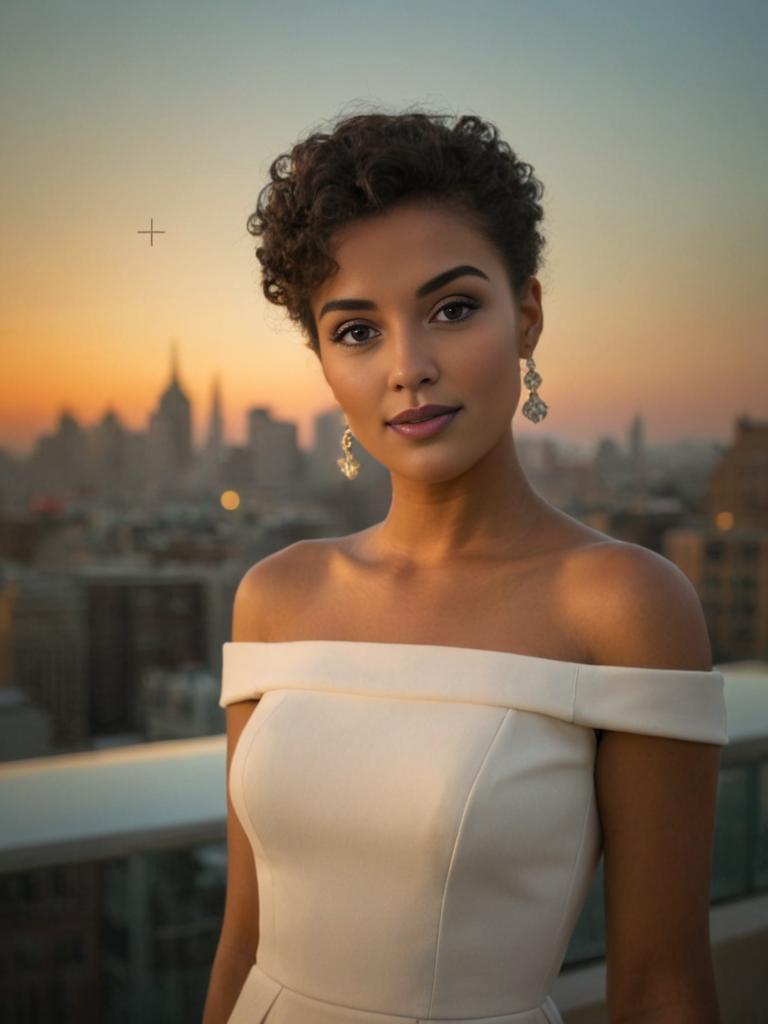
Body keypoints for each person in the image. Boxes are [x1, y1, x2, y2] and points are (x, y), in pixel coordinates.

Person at [203, 108, 728, 1024]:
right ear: (325, 363)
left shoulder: (625, 603)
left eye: (452, 309)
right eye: (358, 331)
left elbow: (660, 983)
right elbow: (241, 942)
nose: (409, 367)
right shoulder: (275, 596)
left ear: (525, 316)